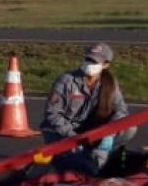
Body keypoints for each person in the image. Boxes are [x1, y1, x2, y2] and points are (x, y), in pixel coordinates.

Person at [41, 42, 137, 174]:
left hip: (92, 132)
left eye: (94, 61)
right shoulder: (66, 81)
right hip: (64, 133)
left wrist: (109, 132)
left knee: (129, 127)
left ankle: (102, 152)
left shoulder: (109, 82)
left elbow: (121, 110)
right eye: (88, 59)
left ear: (105, 65)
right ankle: (61, 159)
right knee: (82, 168)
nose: (89, 64)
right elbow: (52, 115)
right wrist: (74, 137)